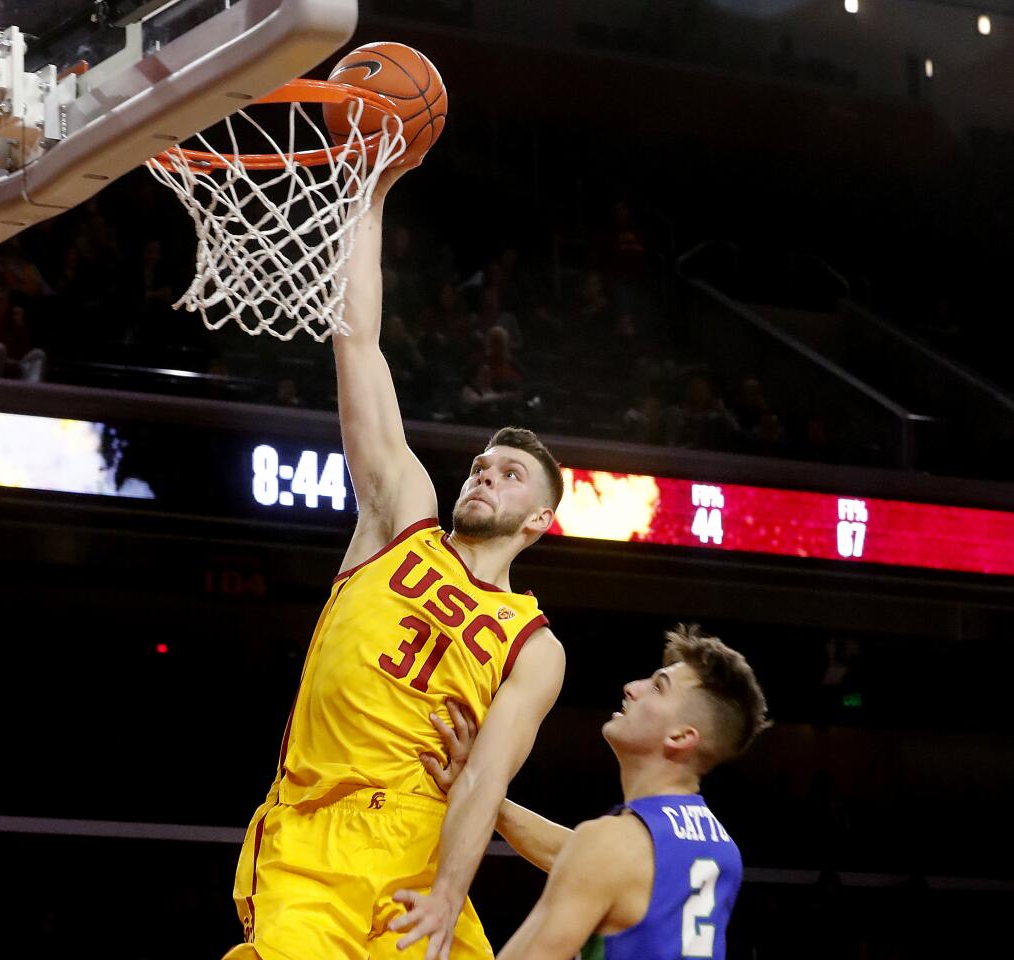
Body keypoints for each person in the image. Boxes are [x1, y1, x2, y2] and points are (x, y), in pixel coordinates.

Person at [225, 165, 568, 960]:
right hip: (318, 834)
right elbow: (358, 341)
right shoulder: (399, 518)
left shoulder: (535, 644)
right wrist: (366, 196)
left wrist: (450, 890)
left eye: (509, 474)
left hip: (423, 848)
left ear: (540, 521)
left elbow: (484, 777)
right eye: (482, 464)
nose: (485, 474)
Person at [423, 625, 770, 960]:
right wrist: (479, 791)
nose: (633, 687)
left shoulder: (611, 846)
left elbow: (595, 860)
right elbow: (586, 860)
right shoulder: (719, 848)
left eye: (658, 687)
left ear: (680, 737)